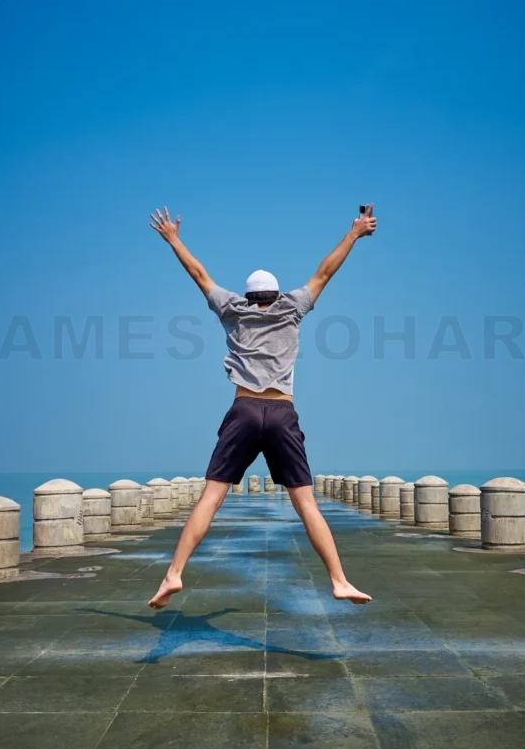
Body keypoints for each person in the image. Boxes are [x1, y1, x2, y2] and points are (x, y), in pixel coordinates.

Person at [147, 204, 377, 609]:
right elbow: (326, 271)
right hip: (282, 414)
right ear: (276, 293)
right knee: (305, 503)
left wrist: (173, 239)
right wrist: (354, 232)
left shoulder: (232, 310)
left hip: (244, 411)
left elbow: (199, 274)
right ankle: (339, 581)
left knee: (211, 498)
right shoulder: (292, 308)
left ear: (248, 295)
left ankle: (174, 574)